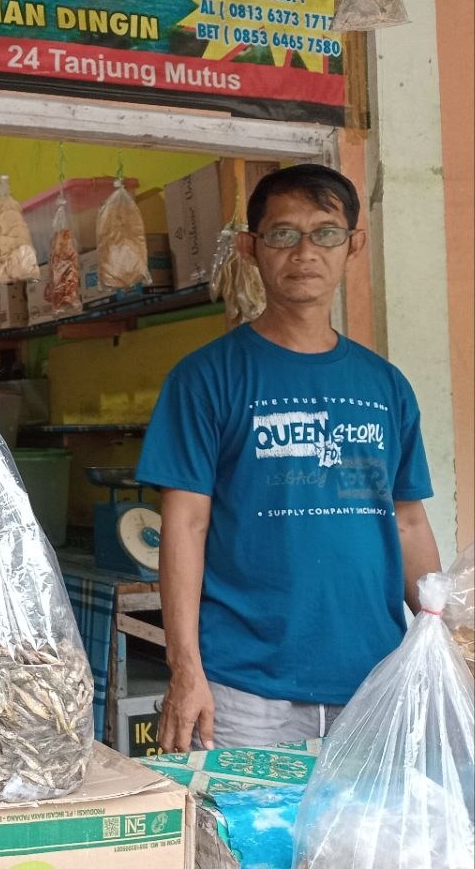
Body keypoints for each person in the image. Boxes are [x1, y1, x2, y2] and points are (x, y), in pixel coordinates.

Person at [136, 163, 440, 752]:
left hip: (375, 680)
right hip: (242, 689)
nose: (305, 252)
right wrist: (185, 668)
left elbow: (407, 522)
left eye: (325, 232)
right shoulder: (205, 378)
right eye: (283, 234)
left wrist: (447, 642)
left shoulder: (386, 386)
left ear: (353, 245)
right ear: (251, 248)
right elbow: (185, 523)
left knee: (371, 818)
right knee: (237, 819)